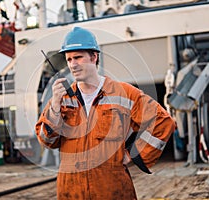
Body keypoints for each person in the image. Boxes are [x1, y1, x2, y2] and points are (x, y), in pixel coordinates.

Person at [35, 27, 175, 199]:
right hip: (71, 192)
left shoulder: (123, 93)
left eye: (78, 57)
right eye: (69, 59)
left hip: (111, 190)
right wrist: (55, 107)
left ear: (94, 57)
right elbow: (47, 140)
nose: (72, 64)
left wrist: (133, 154)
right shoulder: (62, 99)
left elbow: (162, 122)